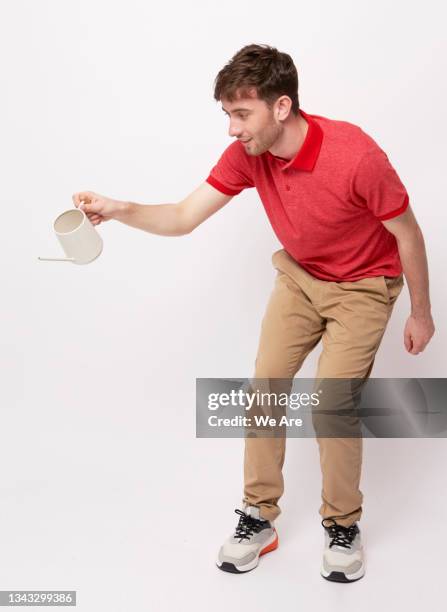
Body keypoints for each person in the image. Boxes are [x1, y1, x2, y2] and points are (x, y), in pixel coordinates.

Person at [72, 43, 435, 583]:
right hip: (301, 276)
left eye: (241, 114)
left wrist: (421, 313)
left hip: (363, 285)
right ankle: (259, 517)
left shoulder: (356, 156)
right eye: (227, 115)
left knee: (331, 405)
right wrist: (119, 209)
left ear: (282, 107)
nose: (232, 129)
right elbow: (182, 216)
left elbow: (407, 231)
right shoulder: (247, 155)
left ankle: (343, 525)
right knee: (265, 387)